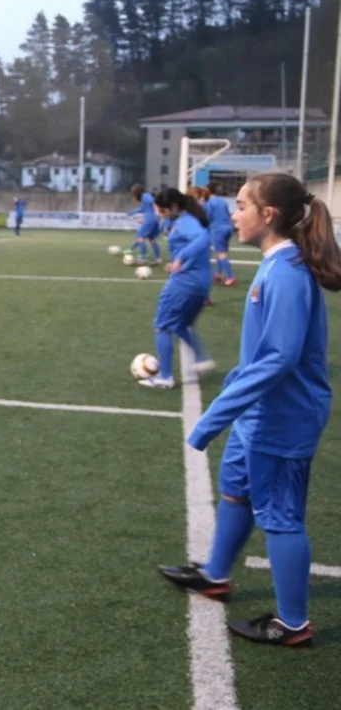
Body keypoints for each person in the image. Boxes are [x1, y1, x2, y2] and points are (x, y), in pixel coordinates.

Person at [159, 173, 341, 647]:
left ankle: (293, 623)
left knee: (281, 517)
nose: (232, 214)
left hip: (282, 419)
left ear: (268, 214)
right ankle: (216, 574)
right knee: (236, 490)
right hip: (258, 415)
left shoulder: (286, 273)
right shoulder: (276, 264)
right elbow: (264, 353)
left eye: (241, 205)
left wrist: (214, 416)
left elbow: (279, 358)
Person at [138, 188, 216, 390]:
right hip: (200, 283)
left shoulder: (186, 222)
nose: (159, 214)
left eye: (162, 210)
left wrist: (180, 259)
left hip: (185, 282)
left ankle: (165, 377)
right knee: (181, 325)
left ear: (173, 207)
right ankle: (202, 358)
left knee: (162, 326)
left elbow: (204, 238)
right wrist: (177, 261)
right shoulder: (184, 220)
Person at [206, 183, 237, 287]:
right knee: (221, 252)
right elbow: (228, 214)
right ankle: (218, 273)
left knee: (221, 253)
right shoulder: (223, 201)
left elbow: (207, 217)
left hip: (217, 229)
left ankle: (230, 277)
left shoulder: (210, 202)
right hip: (228, 228)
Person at [128, 184, 162, 265]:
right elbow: (143, 209)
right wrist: (132, 212)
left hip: (150, 219)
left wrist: (157, 212)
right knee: (152, 239)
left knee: (140, 237)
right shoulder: (144, 198)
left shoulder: (145, 196)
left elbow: (154, 202)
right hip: (154, 219)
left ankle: (143, 258)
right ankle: (158, 258)